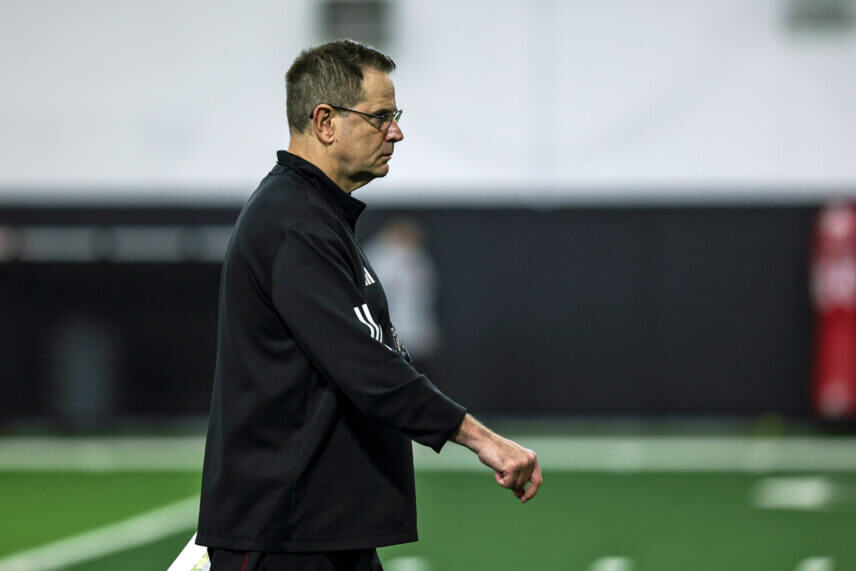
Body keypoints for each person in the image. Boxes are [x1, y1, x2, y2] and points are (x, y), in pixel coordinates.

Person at [196, 39, 541, 571]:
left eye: (394, 116)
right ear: (326, 121)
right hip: (283, 538)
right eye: (381, 117)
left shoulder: (317, 217)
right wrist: (481, 439)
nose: (396, 132)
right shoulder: (292, 222)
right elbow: (366, 366)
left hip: (323, 531)